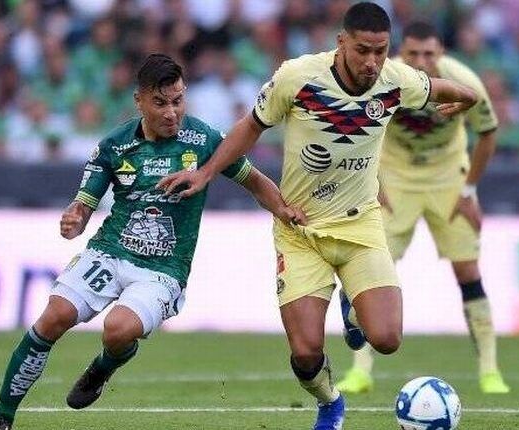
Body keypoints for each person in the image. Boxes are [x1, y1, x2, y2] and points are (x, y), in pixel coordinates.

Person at [157, 4, 479, 429]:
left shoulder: (395, 81)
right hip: (300, 228)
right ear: (341, 42)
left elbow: (449, 89)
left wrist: (467, 99)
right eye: (363, 50)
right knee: (306, 353)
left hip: (360, 224)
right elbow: (250, 127)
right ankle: (330, 403)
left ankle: (353, 307)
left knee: (387, 339)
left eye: (381, 51)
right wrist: (206, 173)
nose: (372, 61)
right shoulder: (298, 77)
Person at [0, 53, 304, 430]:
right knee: (54, 317)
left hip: (162, 270)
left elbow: (256, 181)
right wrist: (74, 219)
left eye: (177, 100)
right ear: (139, 100)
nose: (171, 112)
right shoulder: (114, 146)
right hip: (110, 251)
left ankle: (102, 367)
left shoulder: (206, 140)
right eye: (160, 103)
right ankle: (1, 418)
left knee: (117, 330)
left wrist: (283, 209)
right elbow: (84, 203)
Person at [335, 21, 510, 396]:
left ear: (441, 54)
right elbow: (356, 131)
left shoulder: (464, 82)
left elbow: (489, 131)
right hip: (394, 179)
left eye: (429, 53)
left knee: (468, 269)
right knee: (373, 269)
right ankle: (360, 370)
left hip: (448, 178)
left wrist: (469, 191)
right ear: (402, 53)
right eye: (413, 53)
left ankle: (490, 371)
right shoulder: (383, 77)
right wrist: (374, 182)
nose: (421, 60)